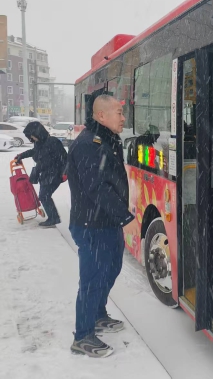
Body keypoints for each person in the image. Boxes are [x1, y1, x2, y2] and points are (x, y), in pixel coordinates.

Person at [66, 94, 140, 358]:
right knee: (93, 279)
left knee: (111, 269)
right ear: (101, 115)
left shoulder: (106, 139)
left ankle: (97, 314)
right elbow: (98, 188)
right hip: (92, 225)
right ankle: (83, 336)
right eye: (118, 112)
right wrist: (125, 218)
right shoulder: (89, 144)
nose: (123, 117)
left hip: (106, 222)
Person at [15, 121, 67, 227]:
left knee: (44, 196)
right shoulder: (39, 143)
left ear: (38, 132)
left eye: (32, 135)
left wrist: (65, 172)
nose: (32, 138)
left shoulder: (53, 142)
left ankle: (53, 218)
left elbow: (64, 158)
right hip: (44, 174)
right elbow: (34, 151)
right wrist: (21, 155)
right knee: (44, 196)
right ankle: (53, 217)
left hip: (55, 173)